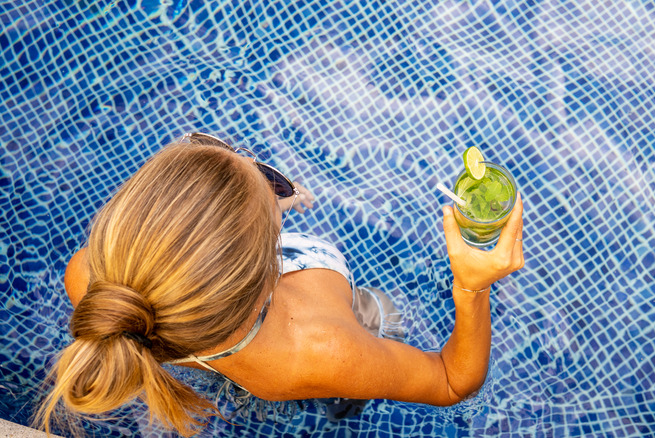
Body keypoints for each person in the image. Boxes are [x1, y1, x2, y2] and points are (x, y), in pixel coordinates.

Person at [34, 133, 525, 436]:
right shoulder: (319, 346)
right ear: (269, 268)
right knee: (382, 313)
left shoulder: (95, 284)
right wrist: (471, 286)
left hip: (228, 346)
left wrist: (255, 208)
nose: (268, 180)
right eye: (272, 197)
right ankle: (346, 396)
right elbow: (450, 380)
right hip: (328, 342)